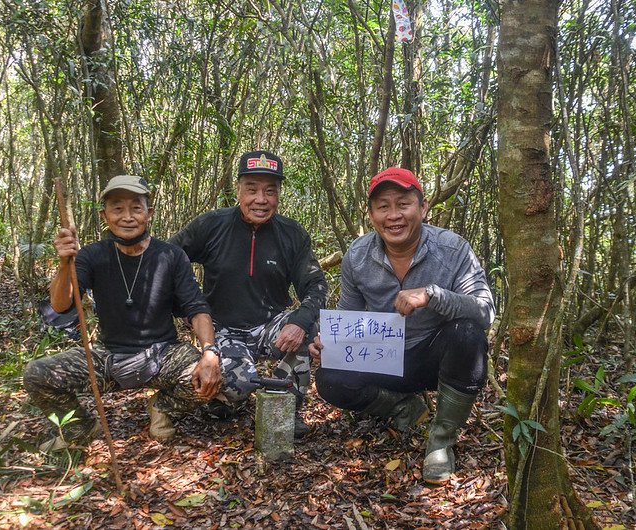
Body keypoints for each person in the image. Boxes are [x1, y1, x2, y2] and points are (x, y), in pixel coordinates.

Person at [310, 167, 494, 484]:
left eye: (403, 204)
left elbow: (485, 311)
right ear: (371, 215)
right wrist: (328, 344)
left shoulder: (453, 249)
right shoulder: (357, 255)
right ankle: (402, 407)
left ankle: (440, 440)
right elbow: (349, 316)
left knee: (469, 334)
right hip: (385, 358)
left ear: (423, 208)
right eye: (383, 206)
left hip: (434, 359)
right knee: (329, 377)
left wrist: (433, 296)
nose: (394, 215)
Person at [24, 175, 221, 450]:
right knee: (36, 374)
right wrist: (64, 263)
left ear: (148, 213)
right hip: (109, 357)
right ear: (105, 215)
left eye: (136, 208)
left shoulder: (171, 256)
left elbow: (197, 309)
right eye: (117, 208)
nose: (127, 217)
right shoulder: (92, 255)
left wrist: (210, 352)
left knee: (211, 375)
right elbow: (61, 305)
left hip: (162, 354)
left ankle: (163, 408)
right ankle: (80, 427)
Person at [170, 150, 328, 437]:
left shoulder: (291, 234)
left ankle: (285, 409)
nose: (261, 199)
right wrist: (191, 305)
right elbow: (167, 261)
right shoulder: (211, 225)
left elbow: (316, 284)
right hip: (224, 328)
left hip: (271, 324)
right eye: (252, 189)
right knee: (236, 386)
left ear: (278, 195)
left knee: (309, 328)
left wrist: (299, 321)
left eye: (270, 191)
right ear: (238, 190)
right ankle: (225, 399)